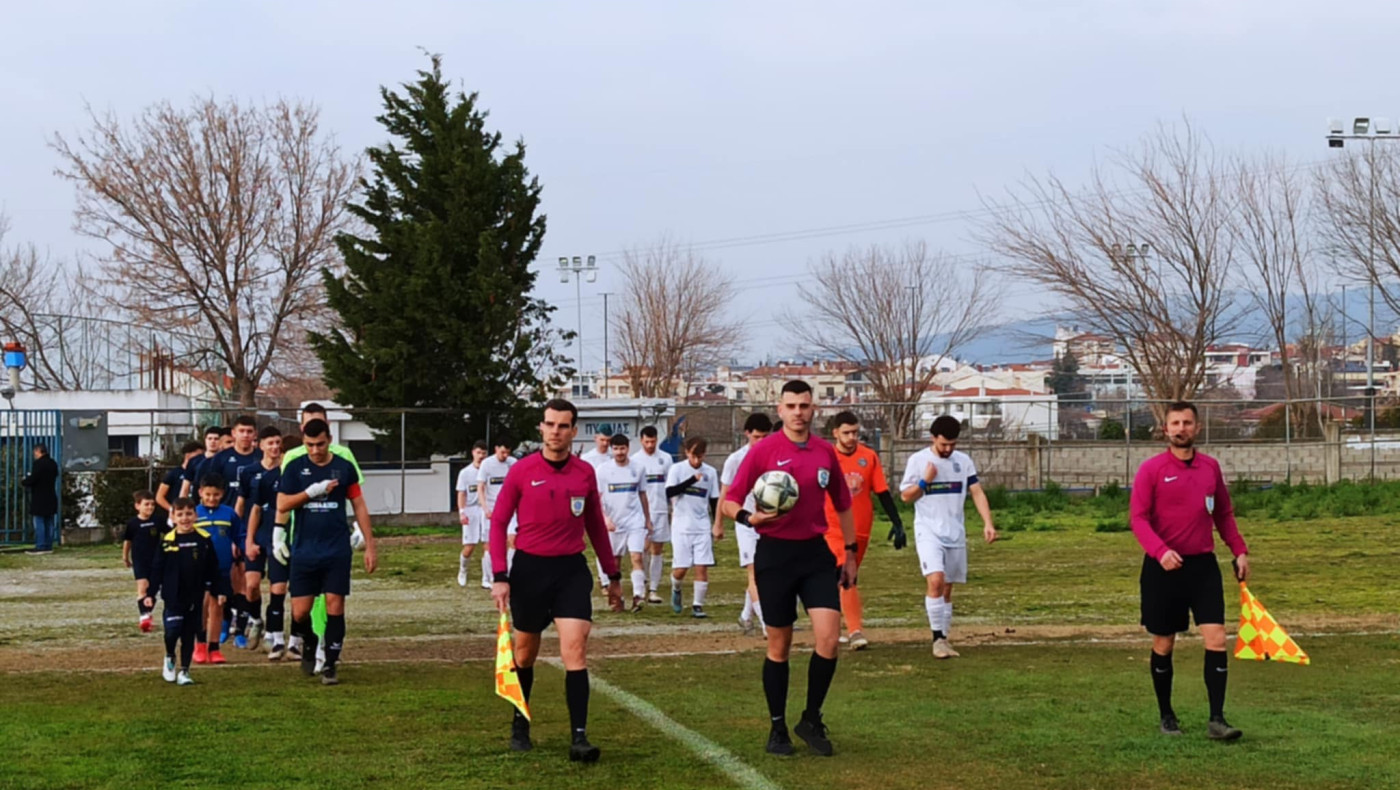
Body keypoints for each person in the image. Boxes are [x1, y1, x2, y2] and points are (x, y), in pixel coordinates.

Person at [723, 380, 858, 757]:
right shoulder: (763, 451)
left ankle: (811, 718)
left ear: (813, 410)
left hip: (815, 555)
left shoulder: (825, 453)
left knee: (829, 640)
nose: (798, 412)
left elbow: (843, 505)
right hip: (775, 555)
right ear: (779, 410)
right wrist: (750, 518)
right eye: (791, 406)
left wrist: (849, 553)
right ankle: (777, 728)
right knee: (779, 645)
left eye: (805, 405)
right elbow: (729, 502)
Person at [490, 398, 622, 762]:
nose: (555, 432)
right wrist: (500, 575)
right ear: (541, 428)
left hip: (570, 572)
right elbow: (499, 522)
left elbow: (595, 523)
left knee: (575, 650)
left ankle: (579, 737)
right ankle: (520, 721)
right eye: (550, 424)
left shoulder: (584, 473)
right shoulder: (521, 471)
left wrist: (613, 574)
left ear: (573, 431)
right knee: (524, 652)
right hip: (530, 571)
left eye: (563, 426)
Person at [1130, 401, 1249, 741]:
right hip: (1163, 568)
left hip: (1202, 567)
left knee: (1216, 639)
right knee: (1164, 643)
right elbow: (1138, 519)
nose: (1181, 429)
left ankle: (1217, 719)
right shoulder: (1151, 470)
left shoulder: (1210, 468)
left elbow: (1223, 514)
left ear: (1197, 428)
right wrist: (1160, 551)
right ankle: (1167, 716)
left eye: (1187, 422)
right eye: (1175, 423)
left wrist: (1239, 550)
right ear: (1165, 430)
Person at [276, 418, 377, 686]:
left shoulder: (343, 467)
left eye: (320, 444)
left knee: (335, 605)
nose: (315, 450)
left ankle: (331, 663)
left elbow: (359, 505)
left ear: (329, 439)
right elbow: (283, 503)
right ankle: (309, 641)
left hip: (336, 548)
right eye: (309, 445)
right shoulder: (295, 467)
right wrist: (310, 493)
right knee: (299, 613)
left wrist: (370, 544)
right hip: (305, 550)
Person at [899, 415, 997, 659]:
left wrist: (988, 523)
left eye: (953, 444)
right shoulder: (918, 460)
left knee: (947, 589)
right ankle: (937, 639)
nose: (948, 449)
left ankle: (944, 636)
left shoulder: (963, 462)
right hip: (928, 530)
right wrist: (925, 481)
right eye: (943, 444)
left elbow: (976, 491)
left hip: (955, 532)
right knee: (935, 580)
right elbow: (906, 497)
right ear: (933, 438)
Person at [826, 411, 906, 650]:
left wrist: (897, 522)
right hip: (832, 529)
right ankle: (855, 631)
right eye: (846, 433)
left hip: (860, 529)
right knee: (846, 575)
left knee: (839, 580)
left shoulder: (868, 457)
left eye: (855, 433)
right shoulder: (826, 457)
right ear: (836, 433)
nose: (852, 437)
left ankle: (833, 626)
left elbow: (881, 491)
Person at [144, 498, 219, 686]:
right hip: (173, 595)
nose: (185, 518)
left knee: (188, 634)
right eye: (180, 514)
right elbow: (157, 569)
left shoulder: (204, 539)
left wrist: (218, 589)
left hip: (195, 595)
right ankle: (170, 656)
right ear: (173, 517)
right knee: (172, 632)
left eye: (188, 514)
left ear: (195, 515)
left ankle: (185, 671)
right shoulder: (167, 541)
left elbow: (213, 567)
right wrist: (150, 594)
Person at [715, 413, 773, 636]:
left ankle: (746, 615)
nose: (761, 441)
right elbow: (725, 493)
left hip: (770, 522)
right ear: (747, 434)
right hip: (745, 521)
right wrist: (718, 523)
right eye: (757, 436)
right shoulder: (735, 460)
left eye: (765, 436)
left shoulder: (773, 455)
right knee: (754, 573)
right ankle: (767, 624)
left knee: (766, 571)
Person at [211, 415, 263, 646]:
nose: (245, 435)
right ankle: (224, 622)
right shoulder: (221, 459)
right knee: (225, 579)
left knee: (245, 581)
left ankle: (242, 628)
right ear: (233, 433)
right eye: (241, 430)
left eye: (249, 431)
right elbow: (208, 490)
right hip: (224, 528)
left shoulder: (260, 458)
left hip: (252, 528)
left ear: (254, 435)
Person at [238, 426, 285, 654]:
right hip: (257, 535)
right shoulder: (249, 472)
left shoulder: (287, 472)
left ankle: (274, 635)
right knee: (252, 585)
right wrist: (246, 540)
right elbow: (248, 506)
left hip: (279, 537)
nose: (275, 447)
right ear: (261, 445)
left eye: (278, 442)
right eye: (271, 443)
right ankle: (255, 619)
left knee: (278, 588)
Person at [596, 433, 652, 612]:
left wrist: (647, 520)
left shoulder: (638, 468)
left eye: (622, 448)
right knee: (614, 563)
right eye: (616, 449)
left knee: (637, 557)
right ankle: (616, 598)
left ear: (628, 448)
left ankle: (638, 596)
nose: (619, 452)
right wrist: (605, 518)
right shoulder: (603, 470)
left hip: (634, 521)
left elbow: (643, 495)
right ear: (612, 450)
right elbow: (597, 498)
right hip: (614, 522)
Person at [665, 436, 719, 619]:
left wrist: (716, 524)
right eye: (693, 456)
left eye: (700, 456)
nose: (696, 460)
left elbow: (714, 500)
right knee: (681, 568)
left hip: (702, 525)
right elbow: (669, 492)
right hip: (681, 525)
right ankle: (676, 587)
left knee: (701, 567)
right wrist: (691, 481)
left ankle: (698, 605)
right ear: (686, 452)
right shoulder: (677, 469)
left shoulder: (710, 472)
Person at [193, 475, 241, 665]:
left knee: (218, 606)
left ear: (222, 494)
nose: (212, 498)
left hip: (222, 567)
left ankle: (214, 648)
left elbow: (239, 535)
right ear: (200, 493)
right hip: (199, 569)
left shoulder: (229, 514)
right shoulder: (194, 513)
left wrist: (242, 551)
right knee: (201, 606)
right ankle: (200, 645)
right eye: (208, 494)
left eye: (216, 495)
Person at [631, 426, 673, 604]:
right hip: (641, 512)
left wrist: (672, 508)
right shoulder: (635, 460)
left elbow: (670, 486)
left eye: (653, 441)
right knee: (642, 549)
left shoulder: (666, 458)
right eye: (647, 441)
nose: (650, 445)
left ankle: (653, 589)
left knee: (658, 549)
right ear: (641, 440)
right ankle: (642, 583)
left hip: (661, 509)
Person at [477, 438, 517, 589]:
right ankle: (489, 577)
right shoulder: (487, 464)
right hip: (492, 509)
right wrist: (485, 507)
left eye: (507, 452)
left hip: (509, 508)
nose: (505, 455)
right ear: (496, 449)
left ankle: (507, 574)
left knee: (514, 540)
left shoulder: (513, 463)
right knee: (490, 544)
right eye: (502, 452)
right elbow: (480, 487)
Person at [123, 490, 163, 633]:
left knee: (152, 590)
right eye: (146, 504)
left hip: (156, 560)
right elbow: (127, 541)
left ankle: (148, 611)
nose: (150, 507)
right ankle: (144, 616)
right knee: (142, 587)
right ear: (137, 506)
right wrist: (125, 557)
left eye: (152, 505)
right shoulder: (133, 524)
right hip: (140, 560)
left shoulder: (158, 521)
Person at [455, 441, 488, 587]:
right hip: (471, 510)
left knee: (488, 545)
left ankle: (487, 578)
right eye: (478, 452)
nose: (481, 456)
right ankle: (463, 569)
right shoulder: (465, 473)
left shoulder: (489, 470)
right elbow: (461, 494)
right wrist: (462, 512)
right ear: (473, 452)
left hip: (485, 509)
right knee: (470, 546)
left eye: (483, 453)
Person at [22, 444, 59, 555]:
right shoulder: (53, 463)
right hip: (51, 495)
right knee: (49, 521)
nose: (35, 454)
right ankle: (48, 545)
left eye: (35, 452)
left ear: (39, 451)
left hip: (39, 497)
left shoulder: (38, 464)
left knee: (39, 521)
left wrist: (25, 481)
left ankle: (41, 546)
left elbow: (34, 479)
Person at [157, 441, 204, 524]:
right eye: (198, 455)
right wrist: (173, 509)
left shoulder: (200, 472)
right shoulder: (174, 473)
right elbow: (159, 497)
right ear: (188, 456)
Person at [179, 426, 225, 499]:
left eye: (216, 439)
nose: (212, 441)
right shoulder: (194, 461)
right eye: (209, 438)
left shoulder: (226, 460)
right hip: (198, 503)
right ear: (205, 440)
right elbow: (185, 487)